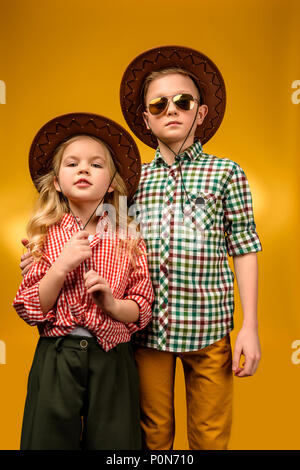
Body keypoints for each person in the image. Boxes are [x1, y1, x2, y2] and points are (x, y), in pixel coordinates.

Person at [118, 46, 262, 450]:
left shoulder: (226, 173)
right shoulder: (131, 179)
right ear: (146, 119)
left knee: (211, 437)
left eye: (182, 101)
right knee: (152, 435)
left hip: (209, 329)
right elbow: (110, 246)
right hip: (147, 333)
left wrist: (249, 327)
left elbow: (245, 246)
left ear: (200, 112)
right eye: (159, 105)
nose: (171, 110)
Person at [13, 112, 154, 450]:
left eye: (96, 165)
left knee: (116, 442)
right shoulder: (43, 238)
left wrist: (112, 304)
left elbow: (143, 307)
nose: (83, 170)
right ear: (58, 182)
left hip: (112, 358)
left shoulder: (129, 239)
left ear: (111, 184)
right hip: (56, 356)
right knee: (46, 439)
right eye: (72, 164)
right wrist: (59, 267)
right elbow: (30, 307)